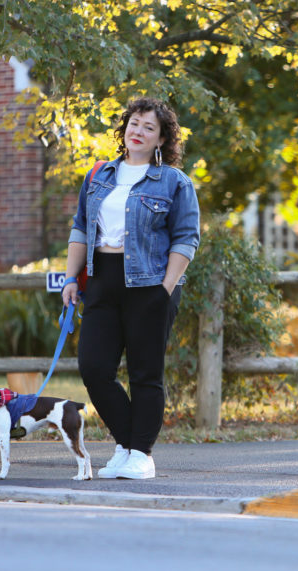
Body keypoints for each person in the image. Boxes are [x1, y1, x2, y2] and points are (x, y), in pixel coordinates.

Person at [61, 97, 200, 479]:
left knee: (145, 372)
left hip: (151, 283)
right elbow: (80, 228)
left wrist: (165, 289)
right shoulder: (99, 176)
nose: (138, 132)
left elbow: (186, 238)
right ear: (124, 128)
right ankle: (126, 443)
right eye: (134, 124)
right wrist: (72, 278)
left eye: (149, 128)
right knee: (94, 367)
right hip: (103, 280)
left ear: (161, 140)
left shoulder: (174, 181)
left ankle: (142, 453)